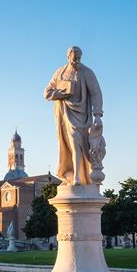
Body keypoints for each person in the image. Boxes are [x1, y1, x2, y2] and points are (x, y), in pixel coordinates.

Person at [43, 46, 104, 186]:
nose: (76, 61)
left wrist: (98, 115)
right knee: (69, 144)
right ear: (68, 57)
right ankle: (72, 175)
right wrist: (61, 93)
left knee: (78, 143)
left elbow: (96, 93)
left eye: (78, 58)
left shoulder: (87, 72)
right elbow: (46, 93)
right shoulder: (59, 72)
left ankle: (79, 177)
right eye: (74, 58)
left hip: (82, 115)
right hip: (63, 114)